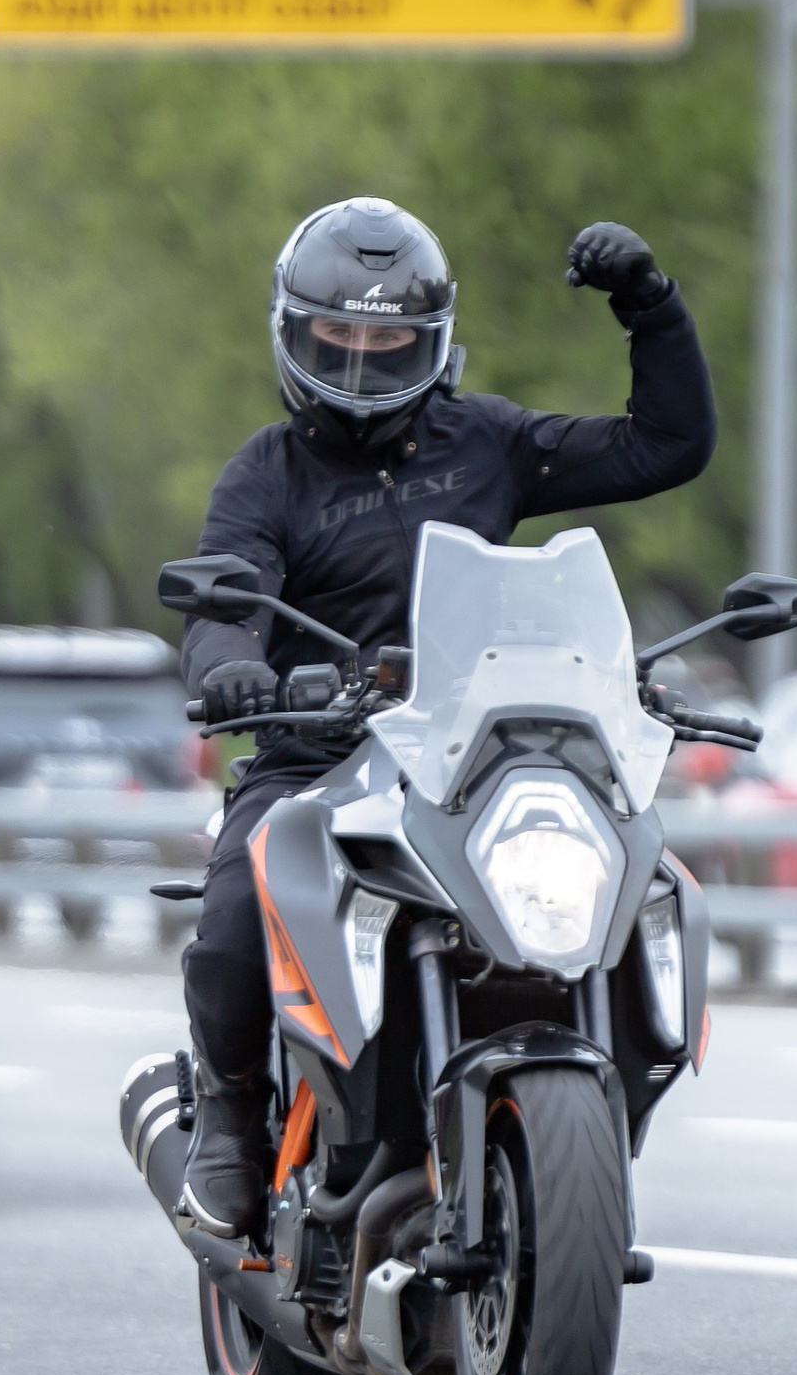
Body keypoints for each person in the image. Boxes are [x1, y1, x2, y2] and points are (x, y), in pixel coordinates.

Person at [174, 196, 717, 1238]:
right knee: (249, 895)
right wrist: (237, 671)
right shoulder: (263, 474)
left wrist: (651, 309)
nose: (365, 359)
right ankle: (231, 1114)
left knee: (630, 870)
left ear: (435, 340)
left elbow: (667, 445)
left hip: (472, 754)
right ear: (294, 334)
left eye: (390, 340)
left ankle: (587, 1117)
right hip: (318, 759)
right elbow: (222, 605)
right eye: (341, 336)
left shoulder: (492, 443)